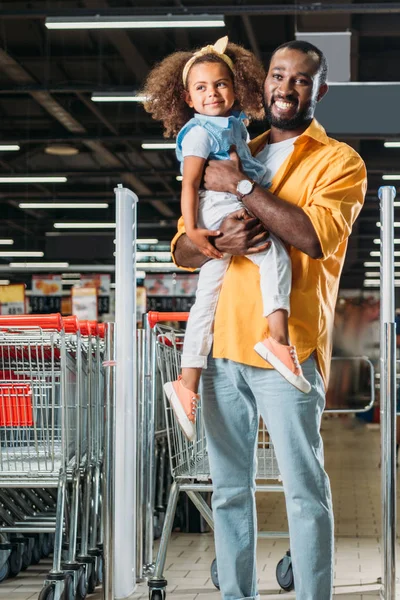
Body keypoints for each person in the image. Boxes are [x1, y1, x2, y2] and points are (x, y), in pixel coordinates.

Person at [172, 40, 367, 600]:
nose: (286, 87)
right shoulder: (232, 141)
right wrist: (213, 242)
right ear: (264, 85)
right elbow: (181, 250)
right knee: (230, 490)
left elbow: (311, 237)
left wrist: (238, 186)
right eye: (278, 76)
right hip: (221, 350)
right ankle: (236, 593)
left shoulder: (337, 161)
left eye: (301, 80)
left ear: (319, 90)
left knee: (304, 490)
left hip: (288, 349)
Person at [143, 36, 311, 441]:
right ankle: (276, 338)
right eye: (201, 88)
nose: (212, 93)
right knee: (273, 256)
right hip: (216, 208)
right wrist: (196, 229)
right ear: (187, 96)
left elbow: (243, 170)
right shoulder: (200, 133)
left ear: (235, 89)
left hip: (228, 200)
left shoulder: (236, 127)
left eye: (220, 84)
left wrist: (247, 180)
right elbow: (189, 187)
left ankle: (187, 382)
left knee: (206, 301)